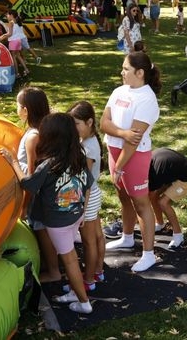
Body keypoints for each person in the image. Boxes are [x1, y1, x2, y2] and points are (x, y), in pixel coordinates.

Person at [1, 113, 94, 314]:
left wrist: (13, 162)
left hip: (58, 223)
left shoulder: (49, 165)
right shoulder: (79, 157)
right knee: (71, 258)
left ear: (51, 138)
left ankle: (84, 303)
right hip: (75, 214)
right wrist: (83, 214)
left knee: (69, 260)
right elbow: (87, 184)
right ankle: (75, 292)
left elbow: (28, 185)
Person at [102, 51, 162, 273]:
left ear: (140, 72)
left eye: (126, 69)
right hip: (115, 151)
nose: (122, 72)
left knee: (141, 203)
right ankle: (127, 237)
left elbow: (134, 141)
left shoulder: (147, 99)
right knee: (123, 197)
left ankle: (149, 254)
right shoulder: (118, 91)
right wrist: (122, 133)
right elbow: (103, 123)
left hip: (133, 156)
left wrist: (119, 166)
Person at [9, 87, 60, 282]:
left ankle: (54, 271)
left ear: (26, 110)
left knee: (41, 228)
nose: (16, 109)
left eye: (18, 105)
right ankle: (51, 264)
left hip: (38, 195)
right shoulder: (39, 130)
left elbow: (31, 178)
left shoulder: (33, 137)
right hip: (44, 191)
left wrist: (23, 207)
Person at [67, 100, 105, 292]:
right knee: (97, 235)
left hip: (87, 197)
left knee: (89, 241)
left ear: (89, 122)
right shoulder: (88, 141)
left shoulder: (88, 148)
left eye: (76, 124)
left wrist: (82, 206)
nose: (74, 128)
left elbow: (86, 181)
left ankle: (88, 280)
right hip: (94, 194)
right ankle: (98, 271)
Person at [148, 148, 187, 249]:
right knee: (153, 196)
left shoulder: (156, 170)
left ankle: (178, 235)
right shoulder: (150, 161)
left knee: (163, 202)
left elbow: (145, 197)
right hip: (173, 173)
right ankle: (159, 223)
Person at [0, 10, 29, 78]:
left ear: (11, 15)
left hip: (13, 41)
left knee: (14, 57)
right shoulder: (18, 22)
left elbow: (10, 34)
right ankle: (26, 70)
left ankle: (17, 73)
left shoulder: (11, 22)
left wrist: (2, 37)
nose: (6, 16)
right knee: (18, 56)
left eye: (7, 15)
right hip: (18, 41)